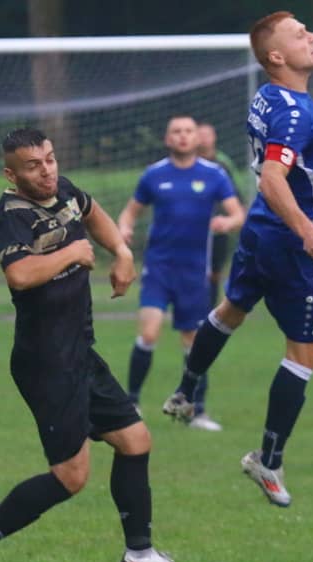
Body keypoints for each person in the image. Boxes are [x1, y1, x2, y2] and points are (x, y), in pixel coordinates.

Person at [0, 128, 198, 562]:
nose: (46, 171)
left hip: (79, 351)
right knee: (71, 477)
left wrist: (121, 251)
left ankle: (140, 553)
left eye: (49, 159)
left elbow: (92, 211)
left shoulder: (60, 189)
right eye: (33, 166)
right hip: (46, 362)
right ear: (11, 174)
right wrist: (73, 252)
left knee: (135, 440)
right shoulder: (12, 214)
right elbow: (19, 274)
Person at [161, 11, 313, 507]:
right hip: (289, 244)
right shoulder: (295, 112)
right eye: (300, 34)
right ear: (277, 56)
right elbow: (272, 178)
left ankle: (185, 390)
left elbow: (285, 165)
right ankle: (268, 459)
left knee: (231, 311)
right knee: (305, 354)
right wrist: (308, 229)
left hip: (261, 231)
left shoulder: (268, 96)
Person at [117, 114, 245, 432]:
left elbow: (238, 214)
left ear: (197, 138)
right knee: (149, 333)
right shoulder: (154, 174)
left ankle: (196, 411)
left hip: (194, 273)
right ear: (167, 138)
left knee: (194, 342)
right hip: (159, 269)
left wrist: (227, 222)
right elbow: (130, 213)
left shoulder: (214, 175)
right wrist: (124, 230)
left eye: (188, 131)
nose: (183, 136)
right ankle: (131, 403)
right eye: (176, 131)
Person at [196, 120, 255, 314]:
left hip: (218, 226)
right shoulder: (187, 161)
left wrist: (237, 215)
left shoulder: (222, 163)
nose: (203, 139)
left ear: (214, 138)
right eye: (200, 134)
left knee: (214, 271)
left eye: (207, 135)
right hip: (192, 226)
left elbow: (235, 193)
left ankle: (209, 311)